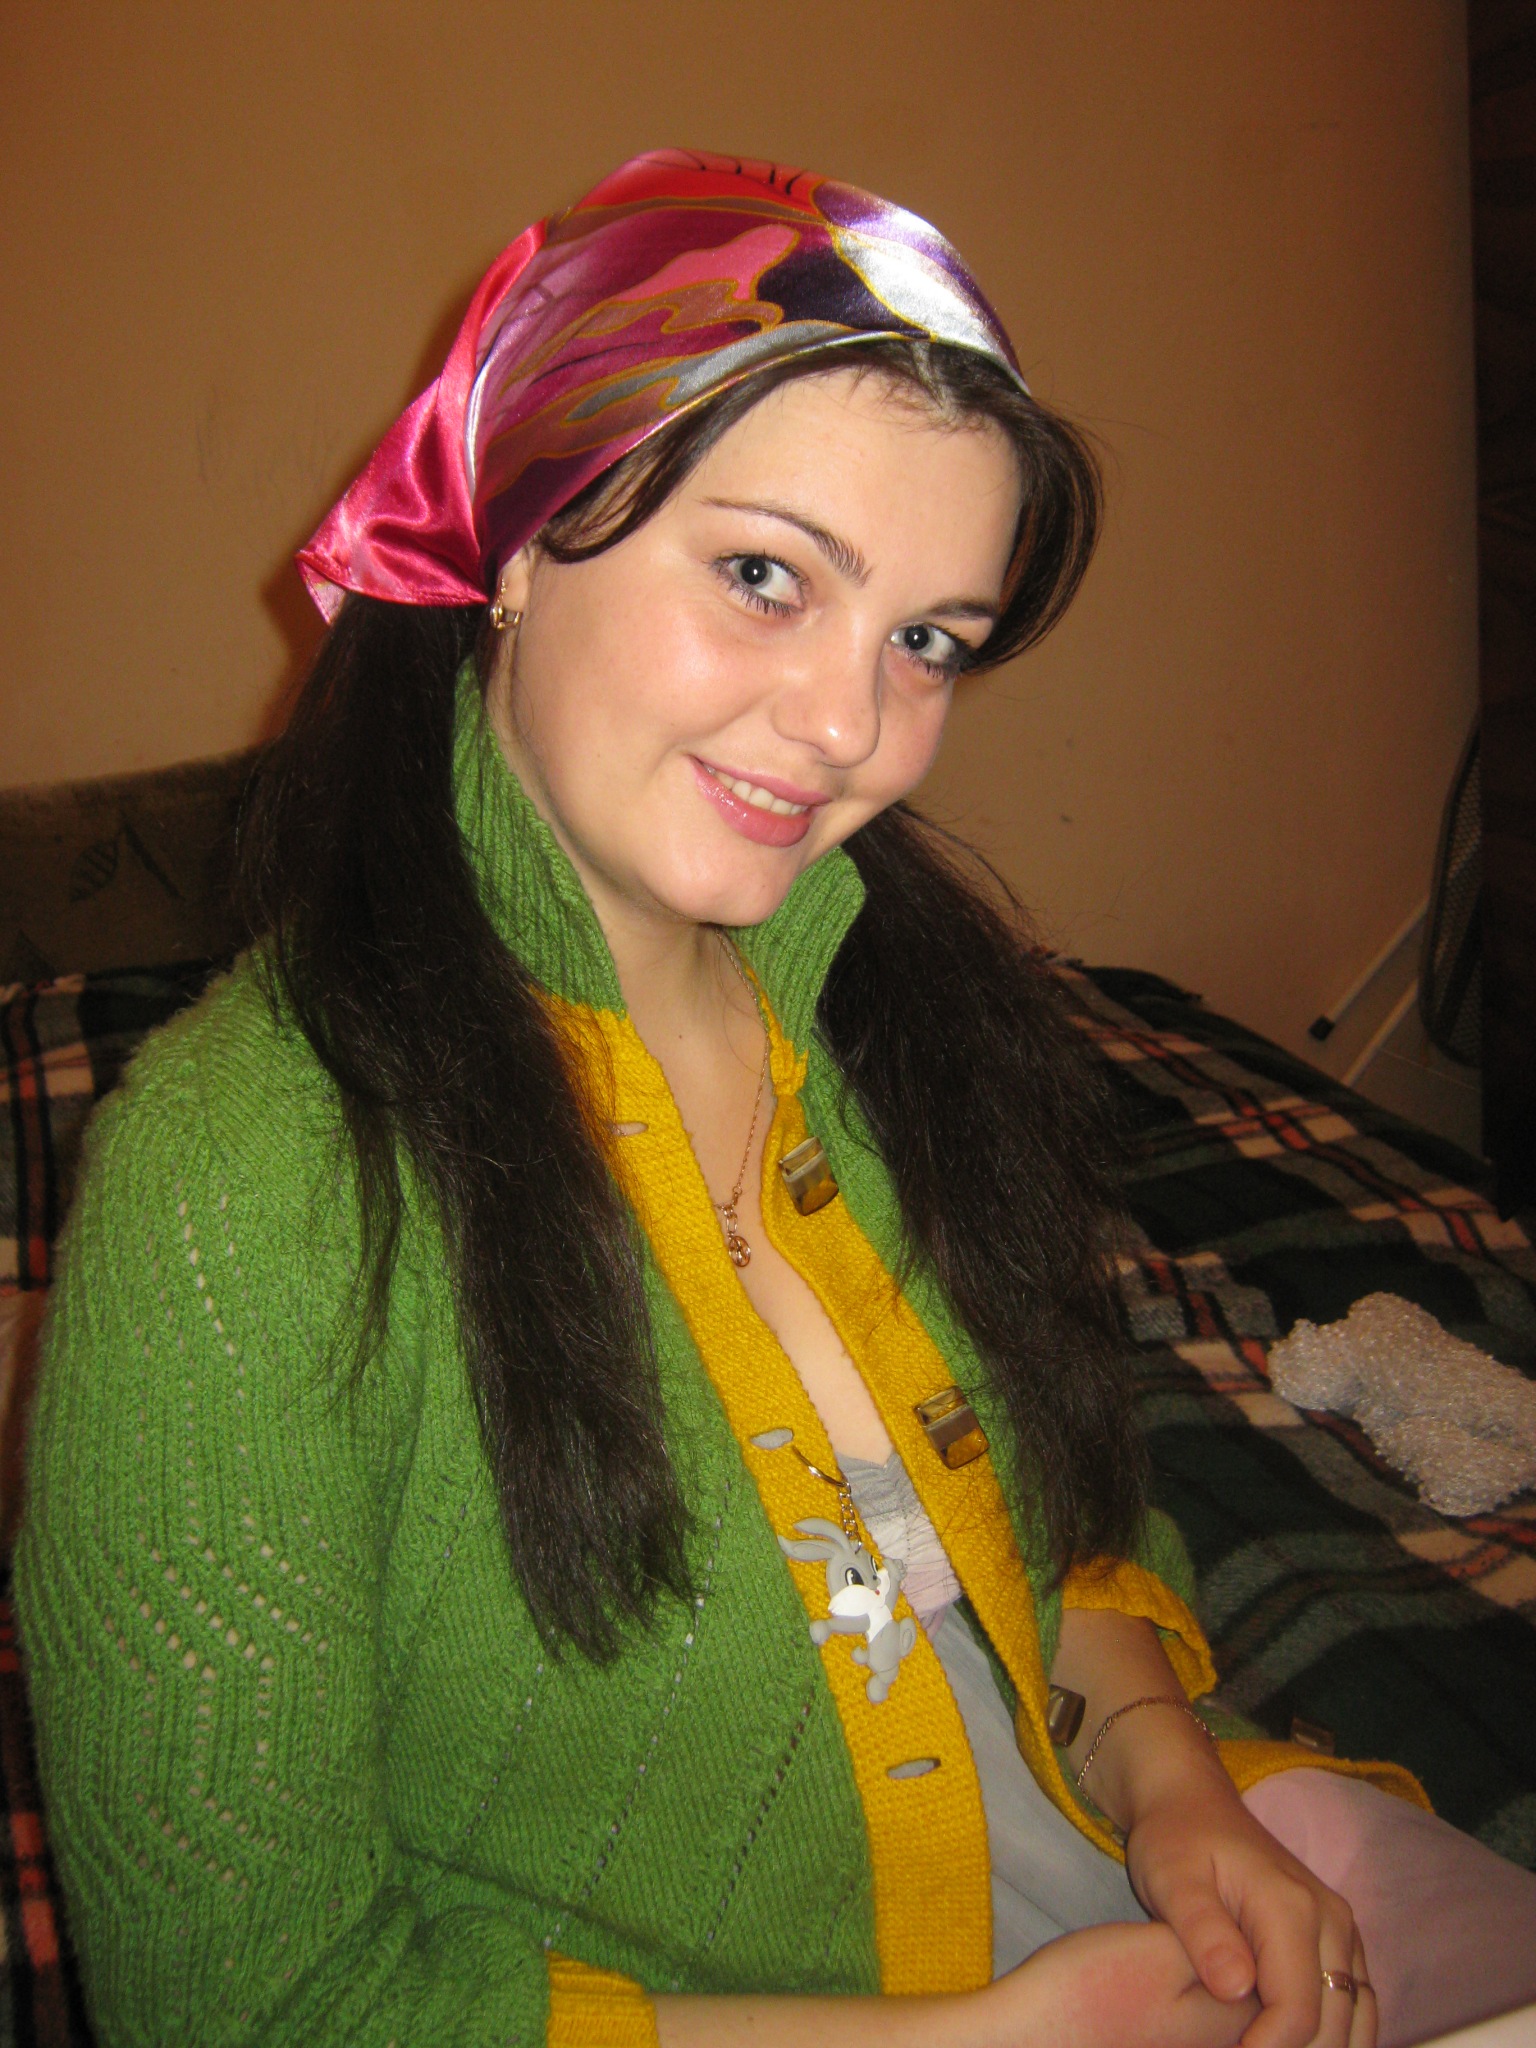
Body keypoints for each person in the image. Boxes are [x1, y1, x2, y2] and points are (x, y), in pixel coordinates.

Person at [16, 149, 1536, 2048]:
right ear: (515, 540)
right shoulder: (234, 1182)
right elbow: (248, 2005)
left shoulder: (904, 1018)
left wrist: (1172, 1779)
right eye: (763, 577)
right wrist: (981, 2045)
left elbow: (1054, 1516)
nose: (850, 727)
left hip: (1104, 1855)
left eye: (927, 641)